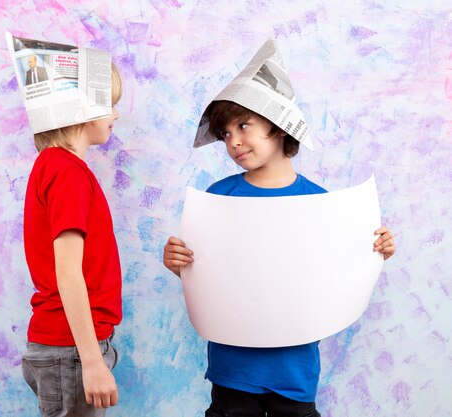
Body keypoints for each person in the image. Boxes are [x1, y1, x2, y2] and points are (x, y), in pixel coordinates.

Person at [162, 98, 396, 417]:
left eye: (243, 126)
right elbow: (208, 277)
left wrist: (376, 250)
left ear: (279, 126)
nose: (234, 141)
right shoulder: (218, 198)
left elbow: (336, 275)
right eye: (226, 134)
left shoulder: (320, 203)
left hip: (294, 371)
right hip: (233, 371)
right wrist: (178, 263)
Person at [21, 63, 123, 417]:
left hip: (69, 348)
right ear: (82, 110)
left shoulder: (56, 166)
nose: (116, 114)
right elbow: (68, 272)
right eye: (109, 104)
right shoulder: (66, 172)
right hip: (72, 351)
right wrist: (93, 362)